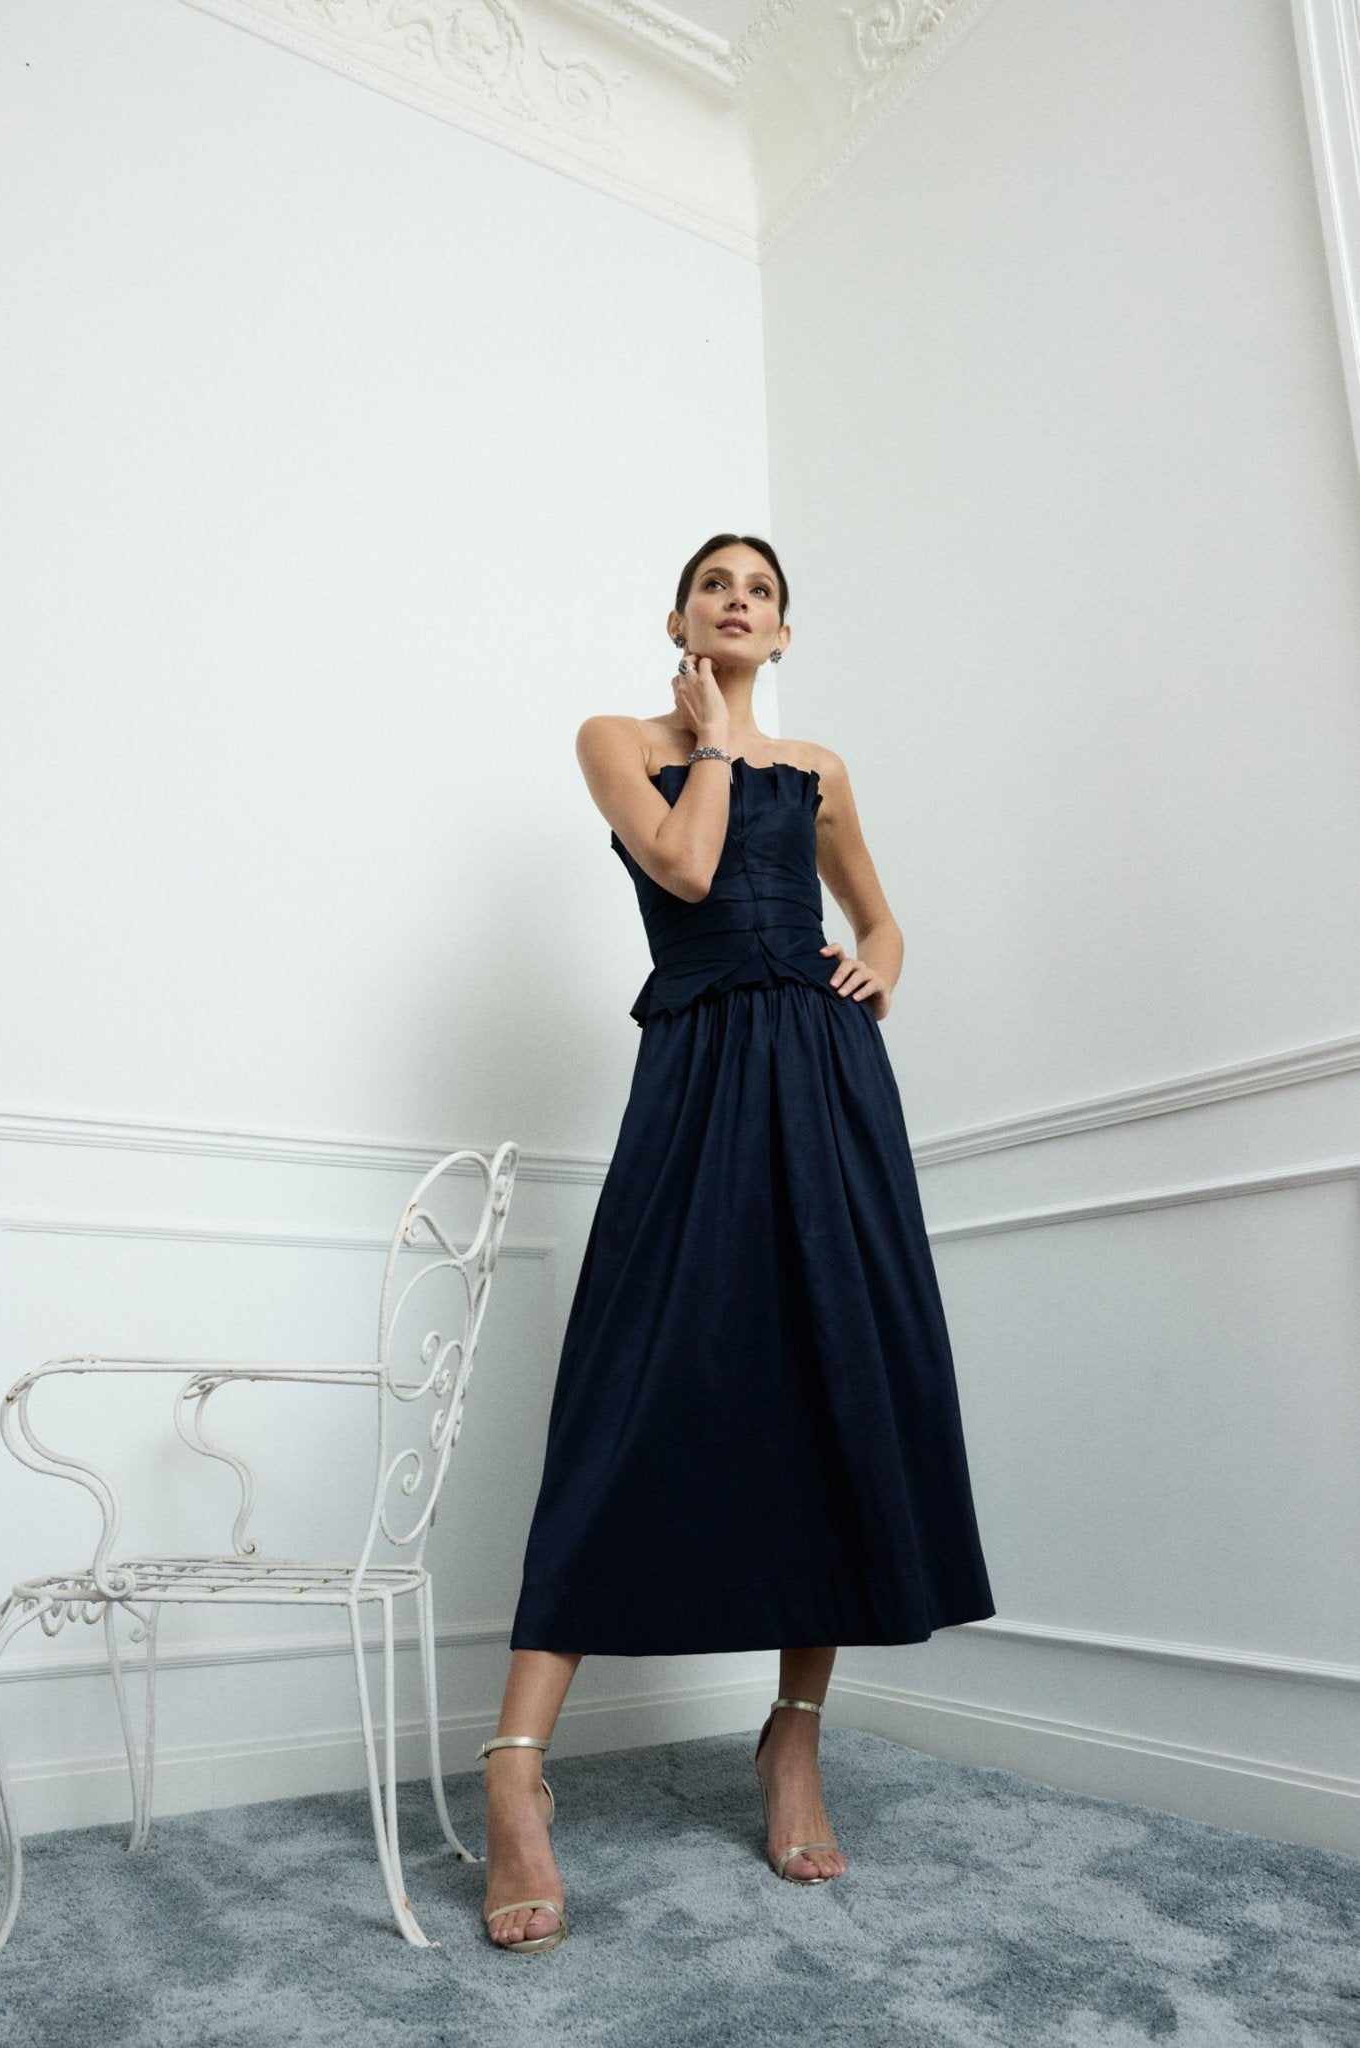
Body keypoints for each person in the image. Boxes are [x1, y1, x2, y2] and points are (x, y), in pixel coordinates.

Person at [476, 534, 995, 1954]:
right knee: (631, 1389)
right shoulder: (619, 739)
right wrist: (709, 739)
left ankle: (794, 1737)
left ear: (783, 630)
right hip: (700, 1073)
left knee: (831, 1383)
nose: (738, 601)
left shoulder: (819, 768)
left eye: (759, 591)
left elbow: (878, 917)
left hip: (826, 1084)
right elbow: (689, 871)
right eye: (716, 585)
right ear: (679, 619)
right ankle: (515, 1771)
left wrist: (876, 968)